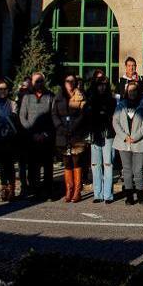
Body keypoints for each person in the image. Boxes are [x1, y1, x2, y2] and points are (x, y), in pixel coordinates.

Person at [18, 73, 55, 199]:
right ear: (32, 82)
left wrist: (45, 134)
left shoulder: (50, 96)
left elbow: (53, 116)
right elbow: (22, 116)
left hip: (46, 138)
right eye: (36, 81)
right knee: (34, 167)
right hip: (31, 138)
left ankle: (48, 191)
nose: (39, 83)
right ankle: (35, 191)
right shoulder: (27, 97)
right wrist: (32, 133)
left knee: (47, 167)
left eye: (41, 81)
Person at [53, 75, 88, 203]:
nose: (70, 83)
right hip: (62, 133)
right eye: (67, 81)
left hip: (76, 132)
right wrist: (60, 127)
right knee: (66, 162)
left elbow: (83, 113)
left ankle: (77, 191)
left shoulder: (80, 95)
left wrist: (74, 126)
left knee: (76, 161)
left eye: (72, 81)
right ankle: (69, 189)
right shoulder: (59, 96)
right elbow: (54, 113)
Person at [113, 80, 143, 205]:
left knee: (138, 170)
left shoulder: (142, 106)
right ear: (127, 91)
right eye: (130, 90)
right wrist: (125, 136)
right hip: (124, 142)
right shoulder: (120, 105)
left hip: (138, 142)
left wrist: (136, 137)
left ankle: (140, 195)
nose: (132, 92)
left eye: (134, 90)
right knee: (127, 170)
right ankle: (129, 196)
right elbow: (115, 122)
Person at [86, 76, 116, 204]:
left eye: (104, 84)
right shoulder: (91, 100)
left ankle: (108, 194)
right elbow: (88, 116)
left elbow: (113, 117)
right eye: (99, 84)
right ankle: (97, 194)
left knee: (108, 164)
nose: (102, 87)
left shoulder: (112, 100)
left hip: (108, 134)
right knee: (95, 165)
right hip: (95, 134)